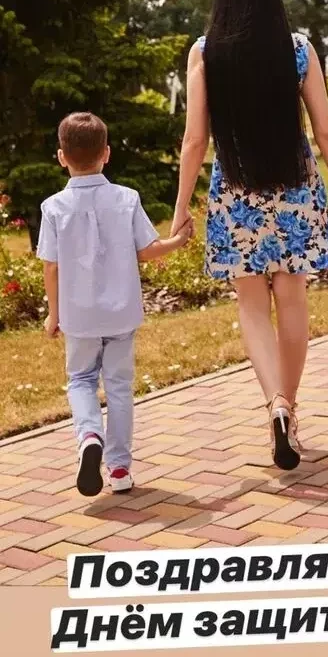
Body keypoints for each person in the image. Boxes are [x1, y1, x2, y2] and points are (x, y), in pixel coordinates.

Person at [170, 0, 328, 471]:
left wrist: (181, 209)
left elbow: (194, 140)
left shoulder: (205, 53)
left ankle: (273, 402)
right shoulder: (298, 49)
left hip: (236, 196)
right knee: (292, 299)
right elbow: (326, 132)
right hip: (296, 190)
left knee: (252, 305)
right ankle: (288, 409)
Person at [37, 112, 193, 497]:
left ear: (61, 156)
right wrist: (178, 240)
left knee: (81, 380)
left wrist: (55, 313)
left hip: (79, 316)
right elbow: (147, 250)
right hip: (122, 313)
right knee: (120, 387)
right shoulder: (127, 198)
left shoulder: (53, 207)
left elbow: (52, 266)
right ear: (106, 153)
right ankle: (120, 469)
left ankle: (90, 434)